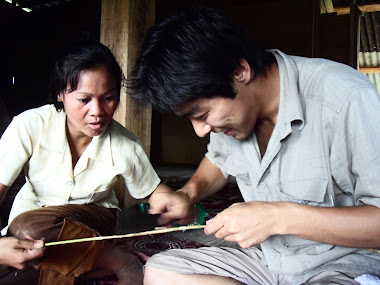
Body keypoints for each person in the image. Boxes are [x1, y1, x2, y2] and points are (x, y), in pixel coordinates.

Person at [127, 5, 380, 285]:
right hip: (269, 262)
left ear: (240, 71)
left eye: (201, 115)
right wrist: (188, 194)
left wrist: (277, 217)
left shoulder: (345, 99)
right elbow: (219, 160)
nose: (201, 131)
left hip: (341, 266)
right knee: (161, 273)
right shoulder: (234, 117)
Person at [0, 42, 194, 285]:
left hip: (92, 219)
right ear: (60, 94)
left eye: (109, 98)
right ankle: (92, 267)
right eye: (84, 99)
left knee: (30, 227)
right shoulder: (29, 126)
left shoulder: (124, 144)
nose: (98, 111)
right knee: (15, 258)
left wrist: (173, 200)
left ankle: (118, 260)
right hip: (33, 221)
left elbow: (153, 191)